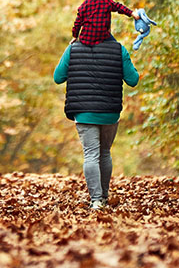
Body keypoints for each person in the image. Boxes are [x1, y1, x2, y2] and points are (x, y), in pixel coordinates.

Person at [53, 33, 139, 210]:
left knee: (91, 154)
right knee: (105, 152)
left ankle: (97, 200)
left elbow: (58, 77)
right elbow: (133, 80)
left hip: (83, 113)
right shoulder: (119, 49)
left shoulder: (73, 49)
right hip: (109, 113)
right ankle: (104, 197)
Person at [72, 0, 140, 46]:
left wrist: (75, 36)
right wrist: (132, 13)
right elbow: (119, 7)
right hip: (103, 37)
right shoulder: (106, 1)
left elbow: (77, 23)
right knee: (118, 47)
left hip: (86, 38)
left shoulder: (83, 6)